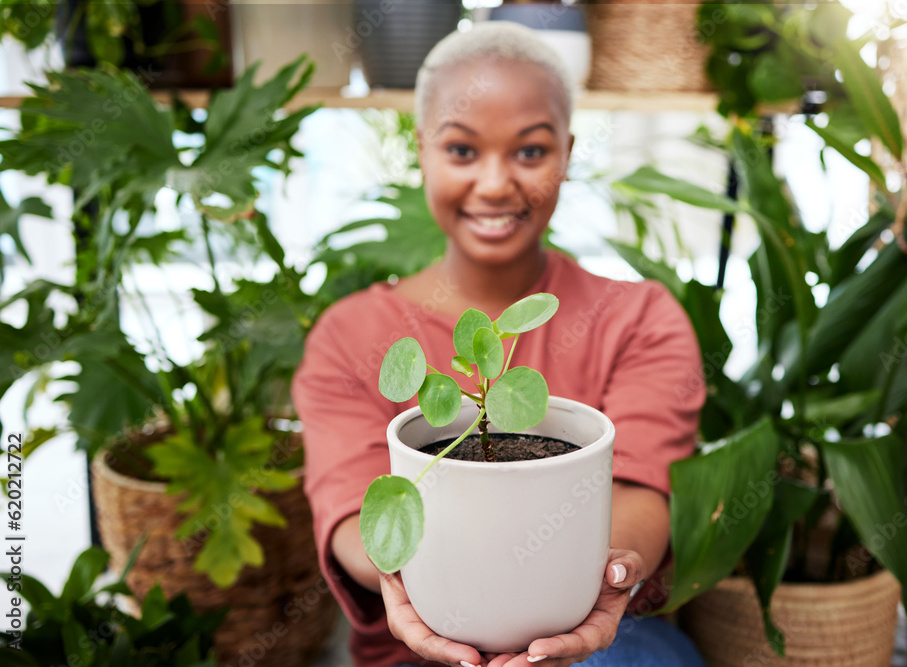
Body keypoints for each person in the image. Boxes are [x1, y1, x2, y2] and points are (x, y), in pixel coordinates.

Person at [292, 21, 707, 667]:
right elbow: (353, 512)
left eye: (530, 152)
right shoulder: (350, 334)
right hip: (423, 638)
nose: (494, 184)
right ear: (421, 148)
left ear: (566, 153)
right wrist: (411, 580)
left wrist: (593, 582)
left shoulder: (640, 318)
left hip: (600, 635)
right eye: (461, 151)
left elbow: (640, 487)